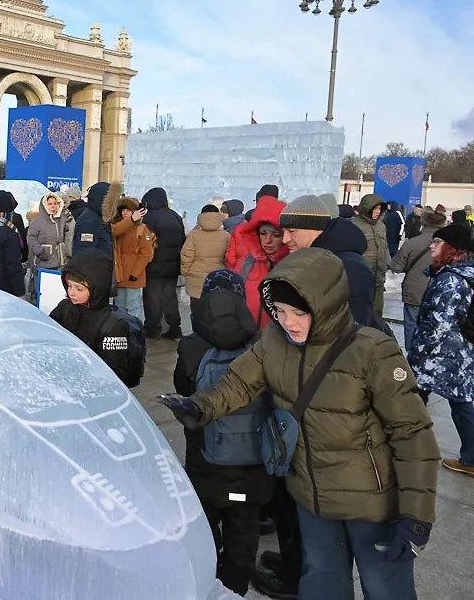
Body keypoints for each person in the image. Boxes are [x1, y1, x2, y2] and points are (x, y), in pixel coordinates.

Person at [159, 248, 440, 600]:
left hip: (372, 505)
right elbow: (239, 383)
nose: (288, 321)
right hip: (312, 498)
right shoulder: (275, 341)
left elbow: (412, 434)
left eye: (298, 312)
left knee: (385, 587)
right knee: (322, 582)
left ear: (326, 306)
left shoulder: (372, 351)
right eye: (279, 311)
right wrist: (198, 406)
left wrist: (417, 513)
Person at [173, 269, 273, 595]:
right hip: (252, 468)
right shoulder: (261, 346)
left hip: (206, 463)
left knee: (202, 526)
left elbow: (182, 386)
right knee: (243, 532)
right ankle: (235, 588)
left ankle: (204, 581)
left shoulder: (191, 346)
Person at [408, 224, 474, 477]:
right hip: (458, 353)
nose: (430, 246)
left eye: (437, 242)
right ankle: (470, 456)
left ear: (451, 248)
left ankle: (409, 450)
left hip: (441, 355)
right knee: (460, 403)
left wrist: (416, 354)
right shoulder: (460, 274)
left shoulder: (450, 281)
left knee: (412, 400)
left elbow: (437, 326)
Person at [50, 248, 143, 388]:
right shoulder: (65, 307)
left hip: (93, 389)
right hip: (65, 382)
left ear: (96, 290)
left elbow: (116, 374)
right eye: (69, 286)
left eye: (79, 289)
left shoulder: (112, 325)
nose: (71, 292)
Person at [280, 194, 375, 326]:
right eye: (283, 232)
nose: (285, 239)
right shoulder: (307, 260)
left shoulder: (350, 268)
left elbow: (354, 327)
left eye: (291, 231)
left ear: (316, 229)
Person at [225, 196, 289, 330]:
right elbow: (233, 298)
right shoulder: (246, 263)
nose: (268, 241)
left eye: (276, 235)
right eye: (263, 233)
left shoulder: (292, 265)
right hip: (246, 335)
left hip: (277, 340)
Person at [390, 206, 446, 350]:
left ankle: (411, 358)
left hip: (414, 290)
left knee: (411, 326)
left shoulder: (412, 243)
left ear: (423, 222)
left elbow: (396, 267)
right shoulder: (448, 246)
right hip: (439, 292)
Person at [141, 186, 186, 340]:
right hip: (173, 266)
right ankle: (174, 327)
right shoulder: (175, 216)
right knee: (169, 296)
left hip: (153, 265)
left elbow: (145, 242)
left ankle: (153, 328)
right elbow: (183, 240)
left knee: (152, 296)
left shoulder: (149, 218)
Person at [110, 196, 154, 320]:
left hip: (133, 275)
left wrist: (135, 273)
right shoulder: (116, 227)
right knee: (120, 307)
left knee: (133, 307)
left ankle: (135, 331)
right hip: (119, 274)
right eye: (123, 210)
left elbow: (146, 254)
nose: (125, 213)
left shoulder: (141, 229)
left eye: (128, 210)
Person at [27, 191, 75, 298]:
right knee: (41, 291)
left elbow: (68, 236)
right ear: (44, 205)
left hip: (60, 260)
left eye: (55, 203)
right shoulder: (37, 221)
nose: (53, 206)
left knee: (56, 292)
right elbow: (31, 238)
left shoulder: (63, 219)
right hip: (42, 260)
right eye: (50, 204)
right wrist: (39, 251)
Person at [351, 194, 391, 316]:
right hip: (360, 278)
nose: (377, 212)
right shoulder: (353, 225)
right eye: (374, 208)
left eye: (379, 208)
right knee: (359, 312)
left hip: (378, 278)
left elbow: (385, 247)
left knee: (377, 312)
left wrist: (388, 263)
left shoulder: (381, 226)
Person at [181, 204, 230, 301]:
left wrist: (185, 272)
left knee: (197, 311)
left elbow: (187, 256)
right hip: (218, 279)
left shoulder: (194, 235)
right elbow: (229, 258)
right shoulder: (226, 236)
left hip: (196, 279)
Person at [72, 182, 116, 257]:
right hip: (93, 267)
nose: (113, 204)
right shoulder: (89, 220)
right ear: (101, 199)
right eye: (110, 200)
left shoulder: (100, 217)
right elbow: (84, 253)